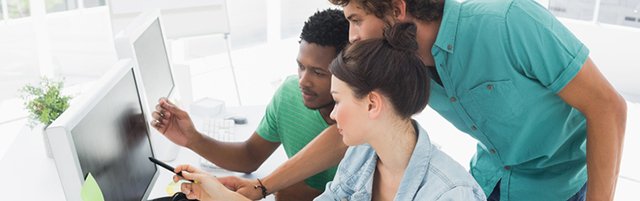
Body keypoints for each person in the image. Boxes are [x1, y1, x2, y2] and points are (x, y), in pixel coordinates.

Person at [220, 0, 628, 200]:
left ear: (396, 9)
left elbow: (608, 107)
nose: (352, 36)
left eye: (356, 20)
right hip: (492, 180)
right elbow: (355, 127)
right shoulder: (403, 54)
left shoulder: (505, 22)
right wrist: (260, 186)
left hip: (565, 186)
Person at [171, 22, 486, 201]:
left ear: (372, 104)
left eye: (339, 100)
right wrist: (218, 194)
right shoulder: (362, 156)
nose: (333, 116)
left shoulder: (449, 193)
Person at [150, 9, 349, 201]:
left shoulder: (361, 125)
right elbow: (250, 156)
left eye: (318, 73)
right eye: (301, 66)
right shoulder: (289, 94)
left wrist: (277, 190)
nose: (303, 81)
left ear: (347, 71)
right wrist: (193, 139)